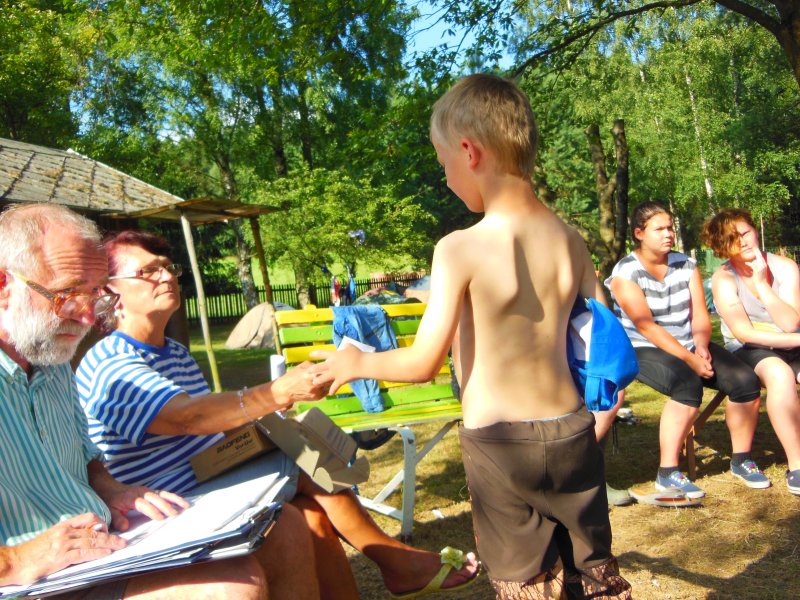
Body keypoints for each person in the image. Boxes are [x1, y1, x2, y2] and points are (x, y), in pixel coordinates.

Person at [310, 73, 632, 599]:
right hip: (572, 432)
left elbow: (422, 364)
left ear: (468, 151)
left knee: (526, 584)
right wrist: (596, 421)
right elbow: (603, 344)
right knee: (594, 575)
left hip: (499, 444)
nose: (445, 179)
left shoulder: (459, 248)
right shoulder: (570, 240)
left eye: (444, 165)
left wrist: (353, 364)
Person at [75, 230, 480, 600]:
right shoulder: (112, 362)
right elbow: (188, 418)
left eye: (168, 267)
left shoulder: (174, 353)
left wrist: (268, 424)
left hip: (203, 484)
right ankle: (396, 561)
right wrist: (275, 393)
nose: (165, 276)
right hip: (170, 508)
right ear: (110, 292)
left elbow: (208, 430)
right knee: (296, 459)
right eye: (147, 271)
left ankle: (396, 564)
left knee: (310, 514)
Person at [0, 202, 322, 599]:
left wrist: (111, 489)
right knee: (229, 586)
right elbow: (188, 418)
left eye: (94, 295)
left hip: (101, 550)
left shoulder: (52, 362)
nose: (88, 318)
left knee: (286, 529)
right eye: (67, 294)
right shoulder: (103, 359)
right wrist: (17, 559)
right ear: (3, 285)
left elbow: (86, 459)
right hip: (32, 583)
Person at [605, 201, 766, 499]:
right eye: (659, 229)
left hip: (691, 343)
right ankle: (667, 473)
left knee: (745, 381)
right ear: (639, 233)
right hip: (642, 347)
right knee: (686, 384)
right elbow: (646, 327)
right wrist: (689, 358)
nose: (668, 234)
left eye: (670, 228)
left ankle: (742, 460)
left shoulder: (686, 264)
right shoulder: (625, 273)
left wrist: (701, 344)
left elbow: (700, 313)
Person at [703, 208, 800, 495]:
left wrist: (763, 286)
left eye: (745, 233)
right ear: (722, 246)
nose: (743, 241)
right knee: (779, 374)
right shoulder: (724, 278)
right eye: (733, 238)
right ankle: (797, 465)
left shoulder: (785, 267)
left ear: (755, 230)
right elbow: (744, 333)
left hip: (792, 339)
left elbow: (790, 322)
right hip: (749, 348)